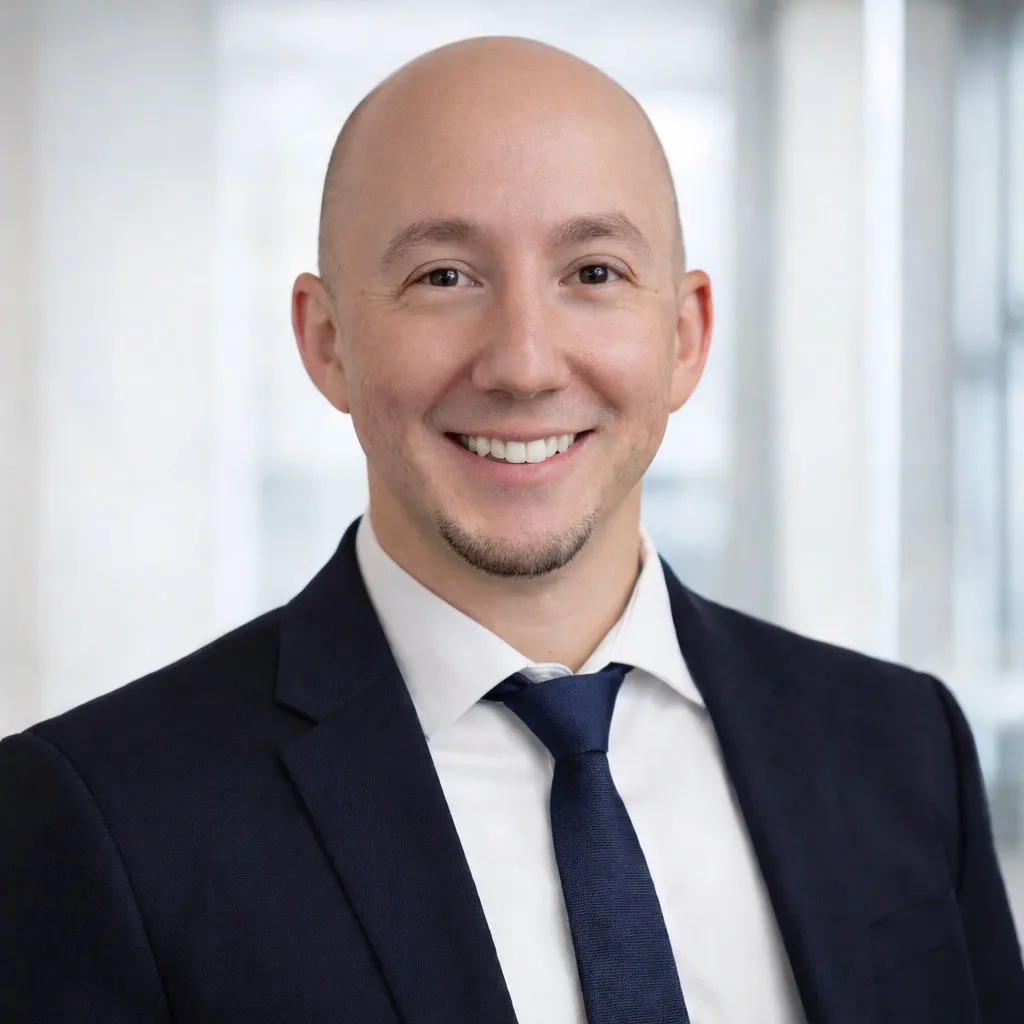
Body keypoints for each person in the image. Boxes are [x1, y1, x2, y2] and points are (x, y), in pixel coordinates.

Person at [1, 35, 1021, 1024]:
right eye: (445, 276)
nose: (524, 364)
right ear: (326, 343)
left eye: (593, 273)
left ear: (684, 336)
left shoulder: (901, 746)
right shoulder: (105, 818)